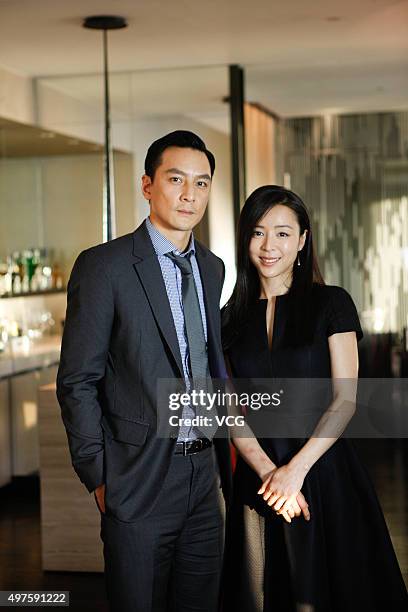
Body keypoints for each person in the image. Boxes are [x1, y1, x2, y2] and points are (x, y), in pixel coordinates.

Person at [56, 130, 232, 612]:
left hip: (205, 475)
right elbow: (77, 381)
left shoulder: (213, 269)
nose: (189, 194)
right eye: (176, 179)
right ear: (147, 185)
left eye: (201, 182)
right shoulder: (105, 267)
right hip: (137, 478)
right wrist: (99, 475)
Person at [222, 185, 408, 611]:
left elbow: (346, 399)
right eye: (258, 232)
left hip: (323, 470)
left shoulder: (331, 304)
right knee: (264, 594)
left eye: (283, 233)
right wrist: (273, 476)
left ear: (303, 240)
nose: (270, 246)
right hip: (259, 476)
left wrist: (295, 472)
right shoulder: (228, 319)